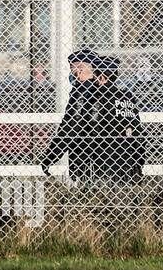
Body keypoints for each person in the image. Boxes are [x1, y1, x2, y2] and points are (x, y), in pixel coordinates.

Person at [45, 53, 145, 181]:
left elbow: (71, 126)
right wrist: (139, 162)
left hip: (94, 165)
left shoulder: (89, 95)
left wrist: (50, 157)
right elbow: (138, 132)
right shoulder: (127, 97)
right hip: (128, 164)